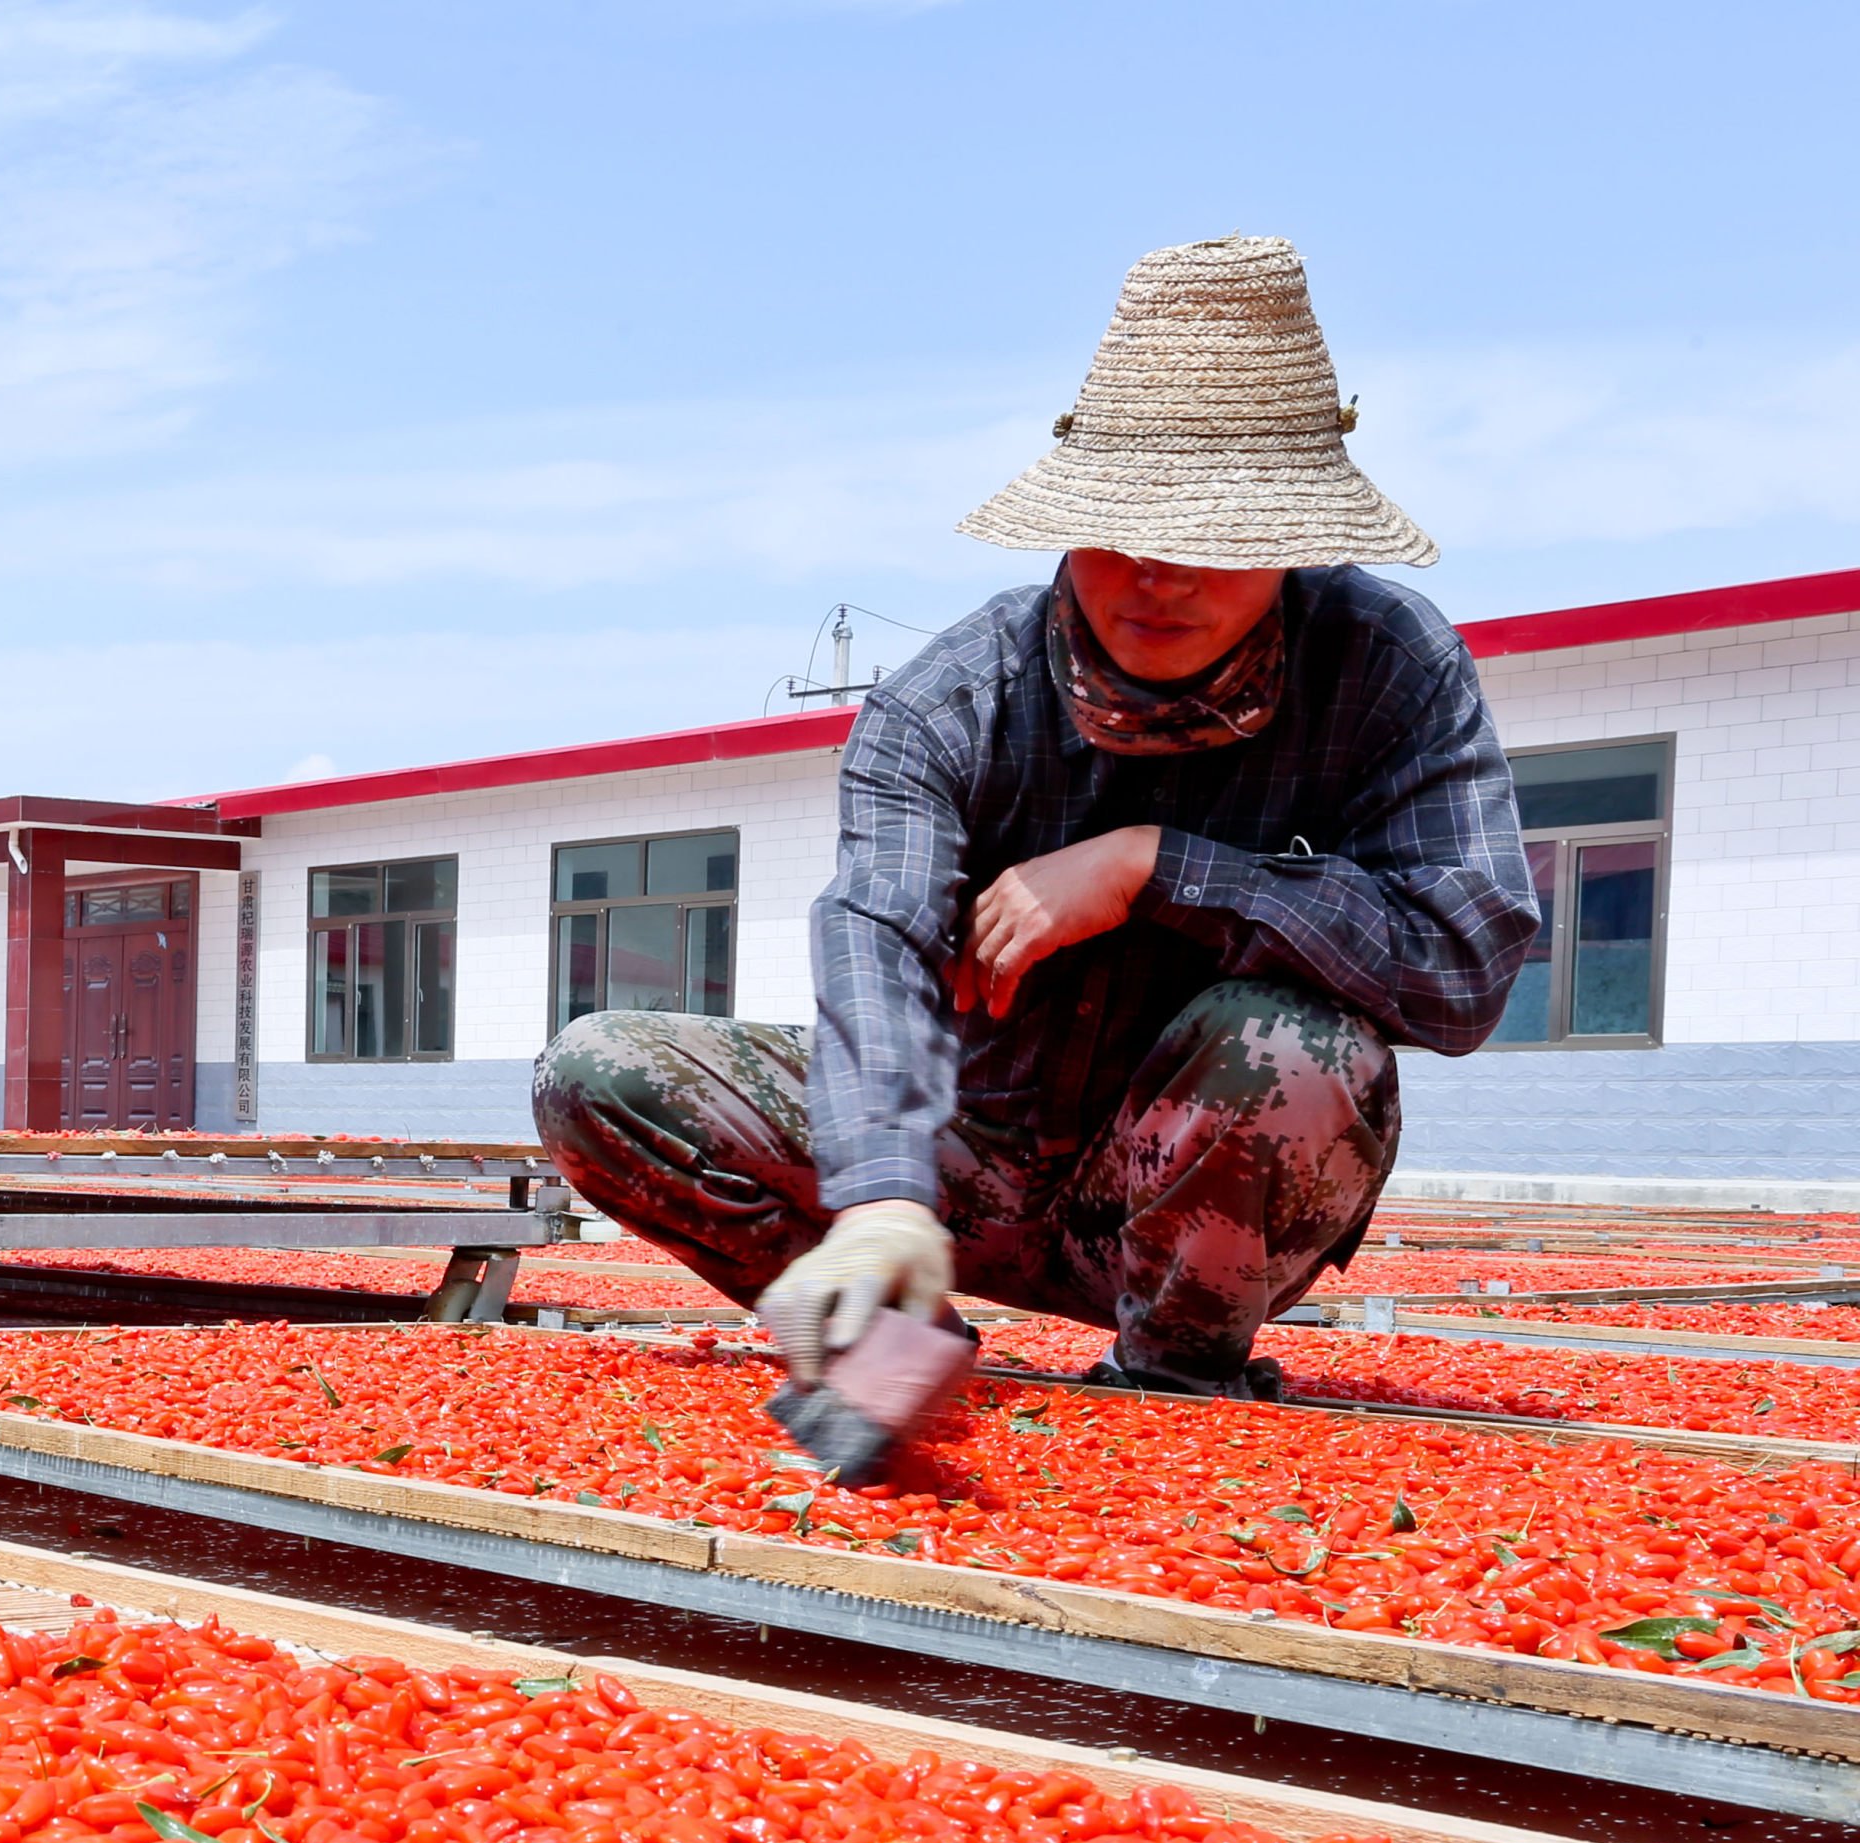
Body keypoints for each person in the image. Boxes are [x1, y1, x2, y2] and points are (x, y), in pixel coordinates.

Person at [534, 236, 1538, 1399]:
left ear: (1293, 541)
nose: (1158, 575)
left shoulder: (1385, 670)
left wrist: (1159, 868)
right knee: (598, 1071)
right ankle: (894, 1331)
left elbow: (1461, 969)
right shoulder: (950, 705)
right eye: (1120, 527)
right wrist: (879, 1195)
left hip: (1192, 1193)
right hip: (965, 1158)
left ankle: (1169, 1377)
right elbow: (876, 943)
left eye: (1211, 539)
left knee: (1296, 1046)